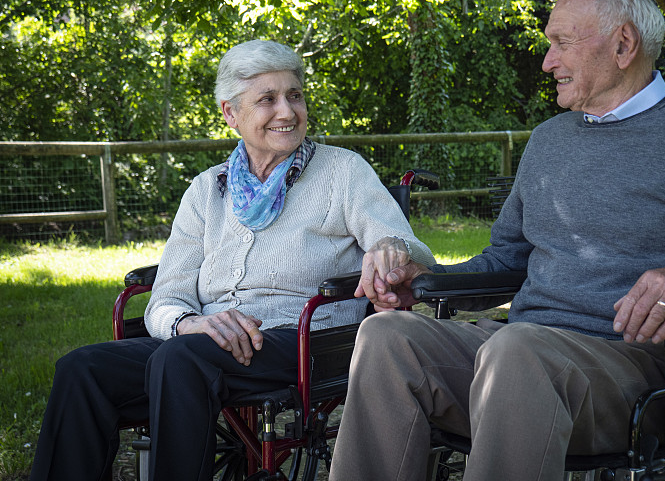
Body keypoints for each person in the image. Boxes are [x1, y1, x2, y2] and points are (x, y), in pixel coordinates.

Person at [328, 0, 665, 481]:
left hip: (631, 373)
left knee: (517, 349)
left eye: (561, 43)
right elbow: (505, 262)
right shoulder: (549, 140)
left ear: (623, 45)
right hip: (519, 354)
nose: (548, 61)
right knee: (385, 337)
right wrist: (423, 282)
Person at [29, 39, 436, 481]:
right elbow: (168, 295)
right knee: (81, 369)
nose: (287, 111)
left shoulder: (342, 172)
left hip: (303, 341)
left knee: (180, 359)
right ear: (231, 113)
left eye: (294, 95)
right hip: (203, 343)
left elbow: (407, 248)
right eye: (267, 99)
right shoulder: (207, 190)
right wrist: (190, 323)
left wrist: (390, 248)